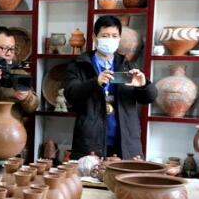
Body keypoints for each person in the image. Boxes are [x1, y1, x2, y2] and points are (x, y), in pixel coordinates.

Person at [64, 15, 157, 159]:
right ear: (95, 37)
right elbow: (70, 94)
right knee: (90, 174)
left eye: (114, 36)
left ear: (119, 38)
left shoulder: (126, 65)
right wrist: (94, 83)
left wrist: (143, 85)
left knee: (125, 173)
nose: (110, 39)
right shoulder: (80, 65)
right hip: (91, 141)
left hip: (125, 142)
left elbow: (149, 98)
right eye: (105, 36)